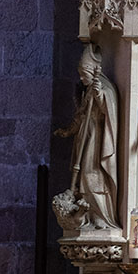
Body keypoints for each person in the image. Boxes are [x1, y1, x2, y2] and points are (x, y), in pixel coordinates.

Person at [56, 43, 119, 229]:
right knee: (83, 175)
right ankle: (87, 213)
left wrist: (100, 96)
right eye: (81, 74)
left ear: (93, 72)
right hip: (85, 137)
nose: (82, 78)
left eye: (85, 74)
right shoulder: (86, 91)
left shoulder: (102, 87)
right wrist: (68, 131)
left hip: (96, 139)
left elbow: (109, 109)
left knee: (93, 173)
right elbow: (81, 116)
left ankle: (100, 214)